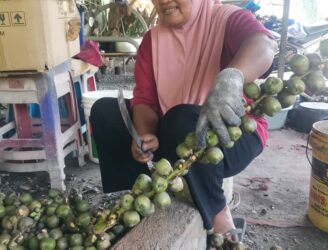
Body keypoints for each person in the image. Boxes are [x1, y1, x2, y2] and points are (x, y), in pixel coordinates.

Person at [90, 0, 277, 243]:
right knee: (105, 111)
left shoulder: (227, 19)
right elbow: (145, 99)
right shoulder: (152, 41)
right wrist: (145, 134)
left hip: (228, 137)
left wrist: (232, 77)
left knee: (182, 119)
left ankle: (218, 213)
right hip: (175, 133)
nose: (163, 1)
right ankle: (136, 201)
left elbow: (264, 44)